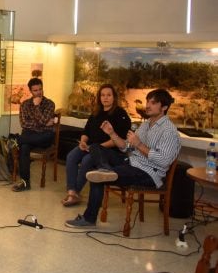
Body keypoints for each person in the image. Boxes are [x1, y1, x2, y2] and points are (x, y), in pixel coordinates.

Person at [66, 89, 181, 228]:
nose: (148, 105)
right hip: (131, 162)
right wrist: (112, 133)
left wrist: (138, 144)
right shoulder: (145, 125)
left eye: (153, 103)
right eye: (147, 101)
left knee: (98, 177)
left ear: (164, 107)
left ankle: (89, 218)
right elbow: (126, 147)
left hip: (148, 173)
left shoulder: (169, 131)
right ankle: (106, 170)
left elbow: (163, 160)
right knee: (95, 147)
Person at [62, 84, 131, 207]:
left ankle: (74, 194)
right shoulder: (96, 113)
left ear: (114, 97)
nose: (105, 98)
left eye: (109, 95)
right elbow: (86, 131)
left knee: (87, 160)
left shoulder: (120, 114)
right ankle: (71, 191)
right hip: (90, 146)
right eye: (103, 95)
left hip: (109, 151)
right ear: (99, 97)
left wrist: (95, 148)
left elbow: (119, 139)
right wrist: (83, 142)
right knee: (71, 156)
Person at [12, 77, 56, 192]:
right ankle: (25, 182)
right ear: (30, 91)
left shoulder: (49, 104)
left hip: (44, 137)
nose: (38, 92)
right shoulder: (25, 104)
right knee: (25, 147)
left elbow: (41, 122)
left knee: (45, 135)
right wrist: (43, 123)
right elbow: (24, 124)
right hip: (30, 135)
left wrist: (37, 107)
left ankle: (17, 140)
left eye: (40, 89)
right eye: (35, 90)